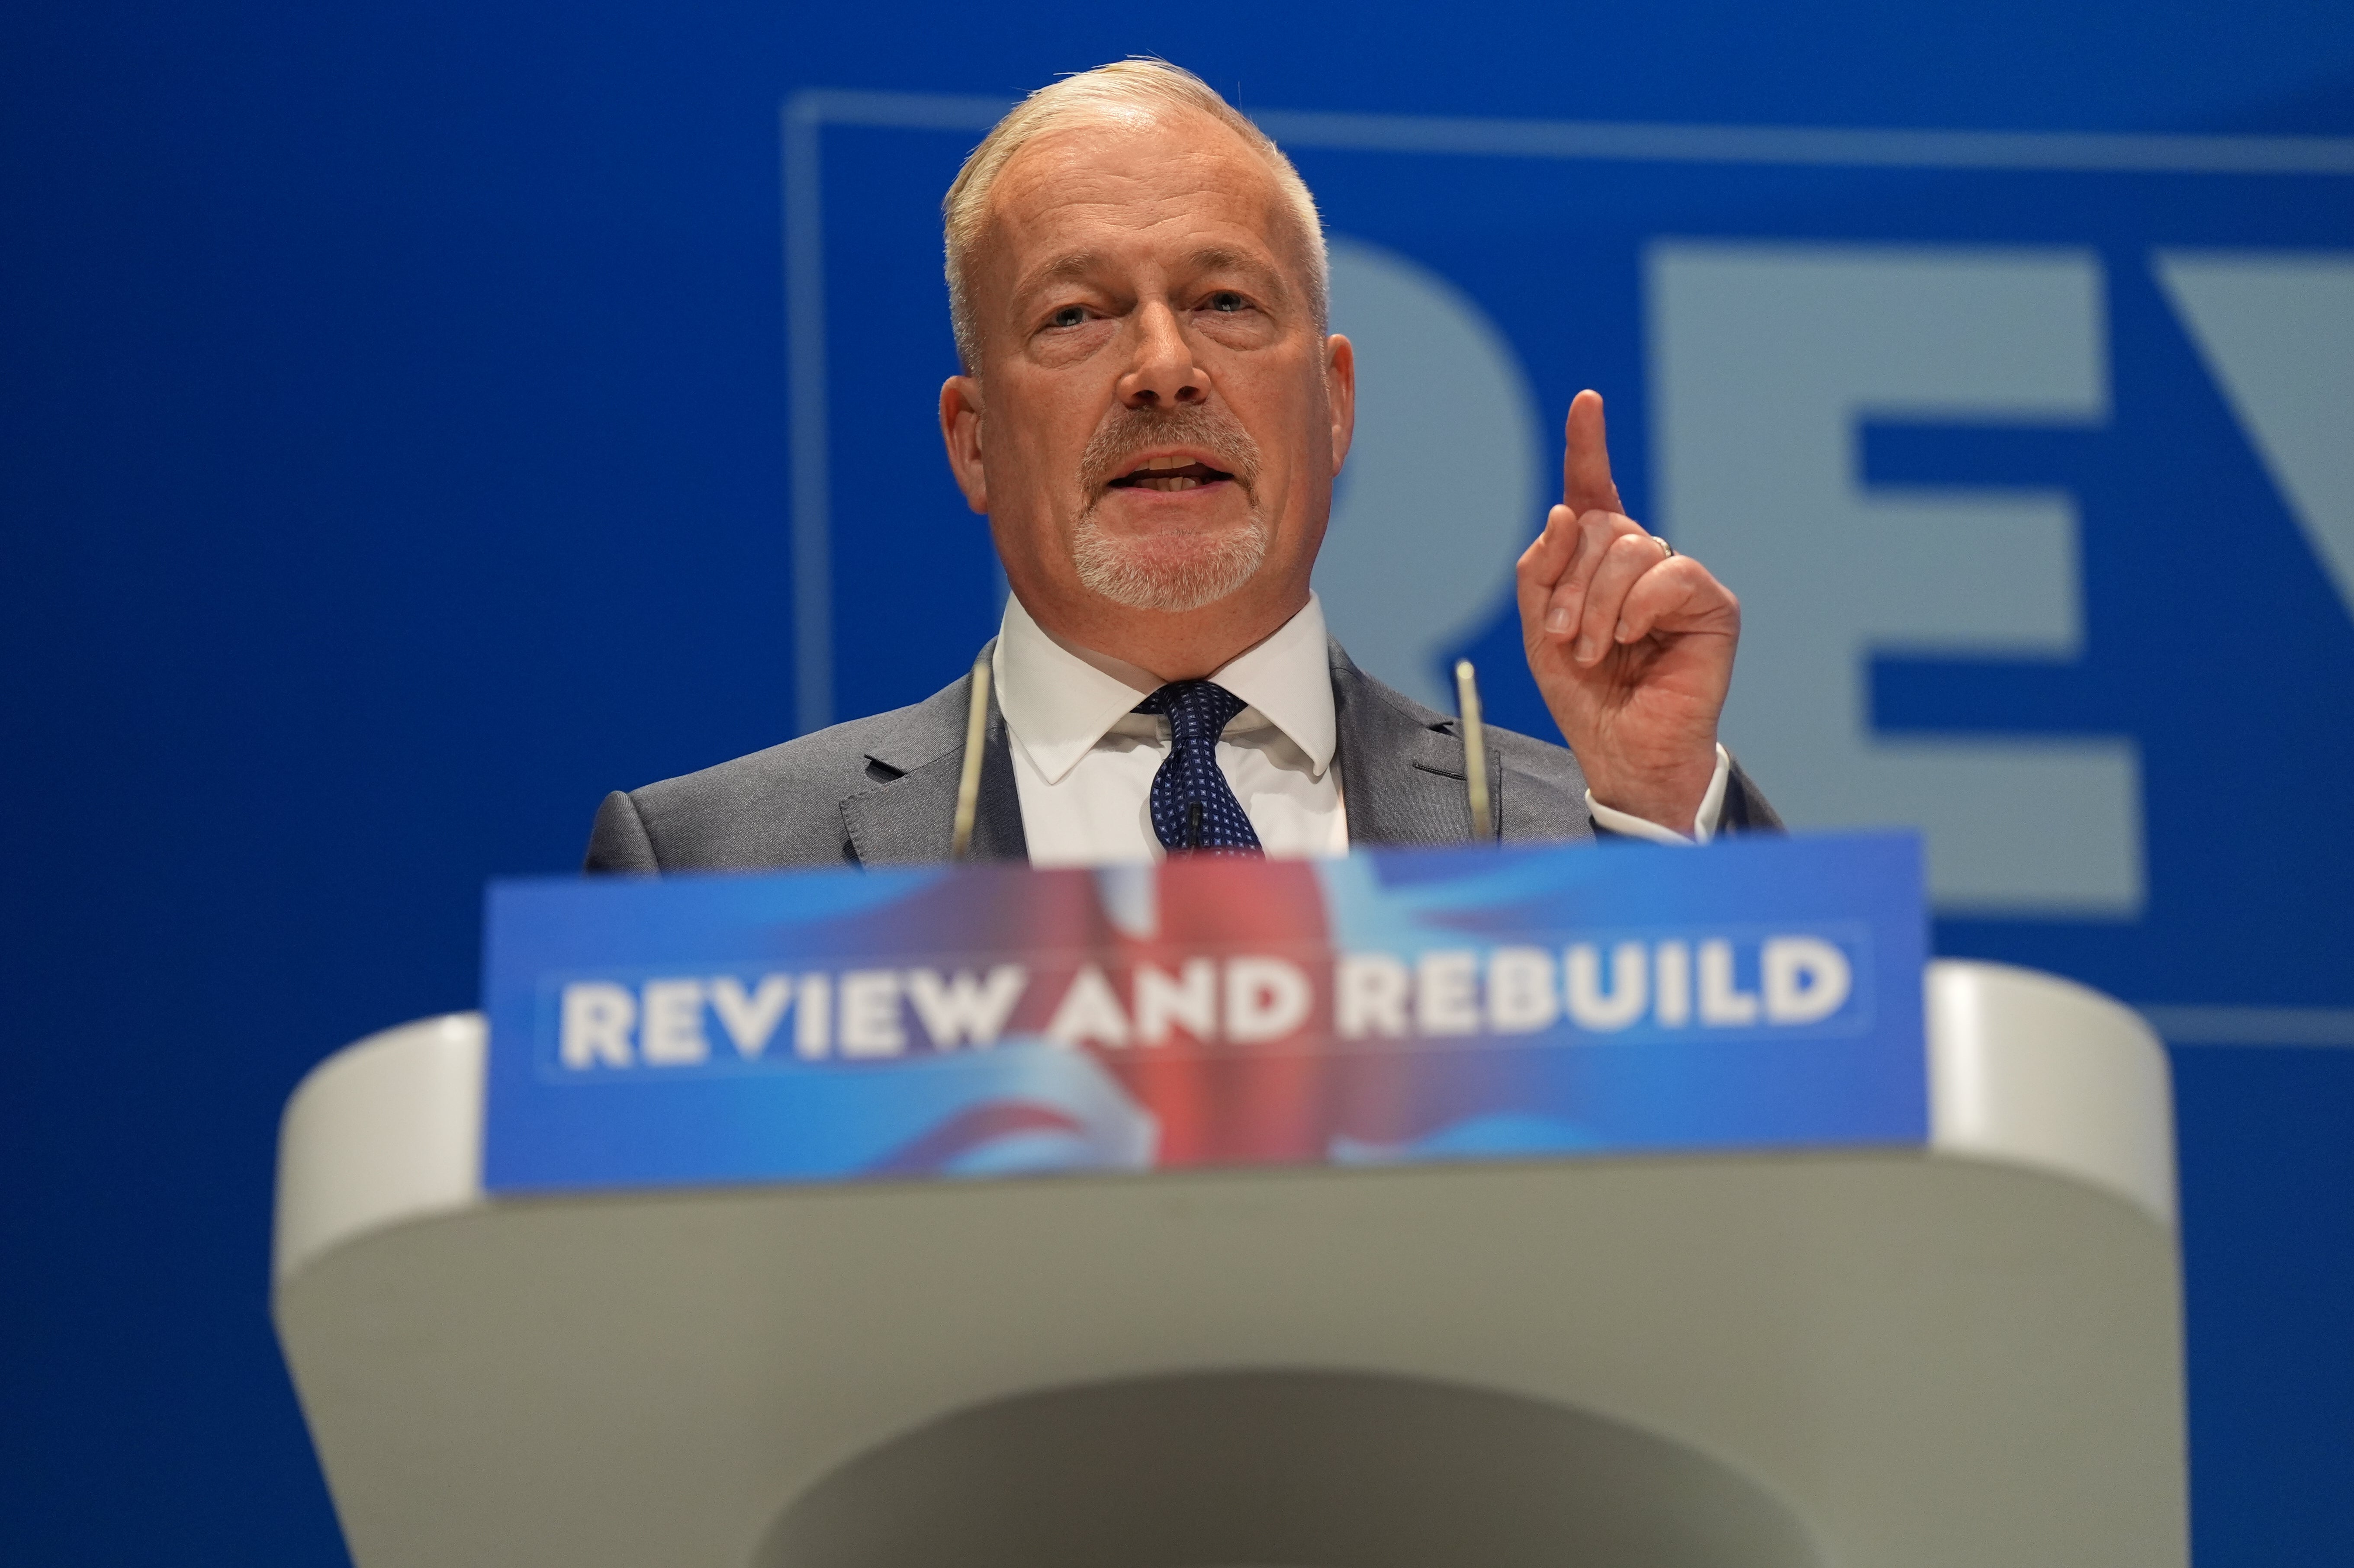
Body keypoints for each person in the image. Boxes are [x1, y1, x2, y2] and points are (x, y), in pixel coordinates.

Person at [584, 60, 1775, 874]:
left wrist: (1655, 811)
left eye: (1224, 302)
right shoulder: (713, 868)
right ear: (976, 440)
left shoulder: (1588, 836)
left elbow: (1787, 1212)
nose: (1163, 367)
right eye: (1074, 317)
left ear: (1335, 403)